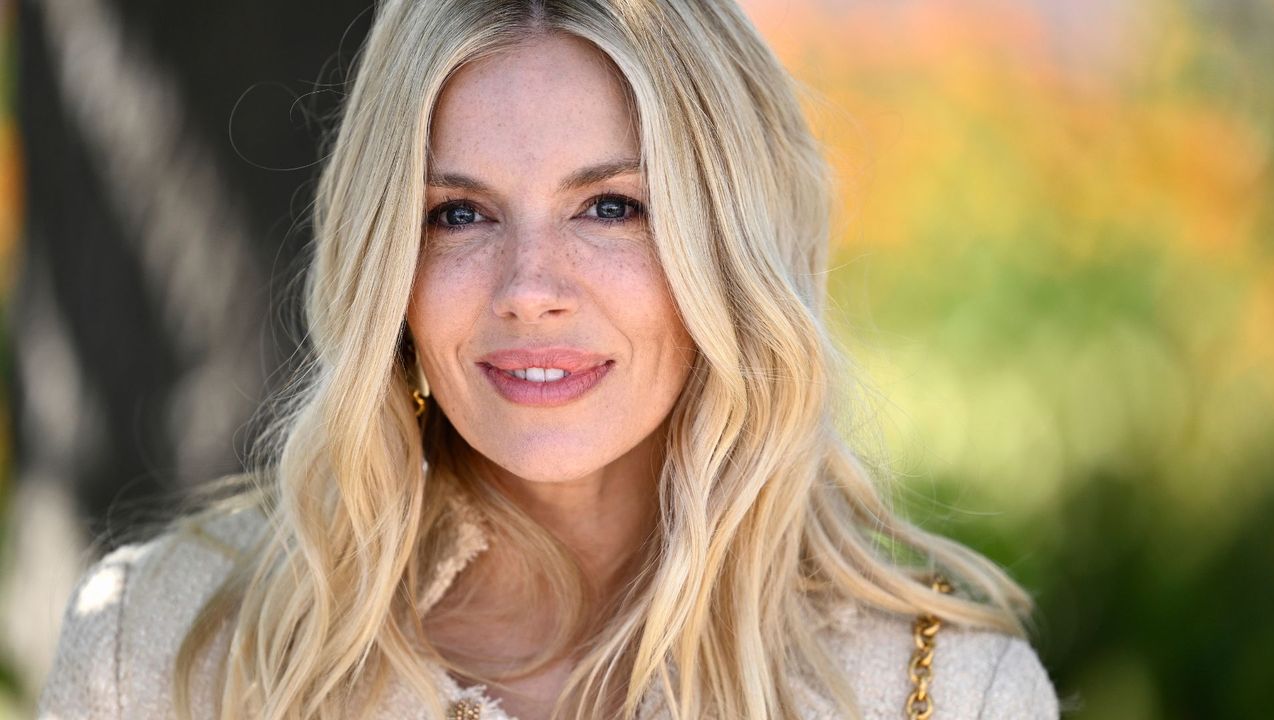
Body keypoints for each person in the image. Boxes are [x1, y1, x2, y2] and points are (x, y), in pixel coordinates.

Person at [38, 1, 1060, 718]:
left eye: (610, 206)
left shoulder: (943, 694)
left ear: (731, 248)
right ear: (383, 265)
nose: (528, 284)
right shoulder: (164, 655)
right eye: (458, 213)